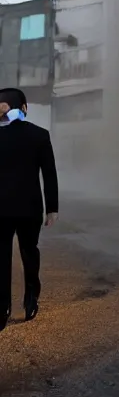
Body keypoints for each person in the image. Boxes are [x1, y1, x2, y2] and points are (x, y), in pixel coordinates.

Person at [0, 88, 58, 330]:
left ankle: (2, 308)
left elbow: (49, 173)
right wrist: (52, 208)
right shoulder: (39, 135)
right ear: (24, 107)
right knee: (29, 253)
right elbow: (49, 175)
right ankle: (31, 298)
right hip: (30, 207)